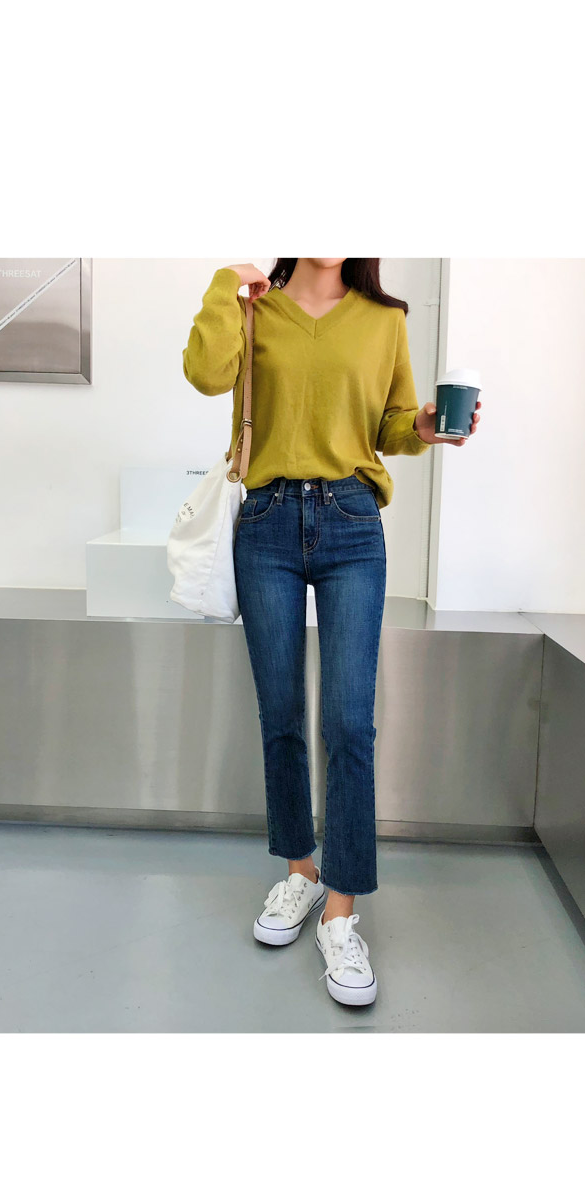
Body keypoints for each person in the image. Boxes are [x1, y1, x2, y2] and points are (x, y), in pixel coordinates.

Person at [182, 259, 482, 1007]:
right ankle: (300, 873)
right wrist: (225, 284)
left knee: (350, 722)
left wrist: (424, 428)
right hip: (266, 522)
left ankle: (341, 912)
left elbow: (390, 425)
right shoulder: (256, 306)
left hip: (352, 521)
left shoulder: (384, 319)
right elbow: (205, 374)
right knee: (281, 715)